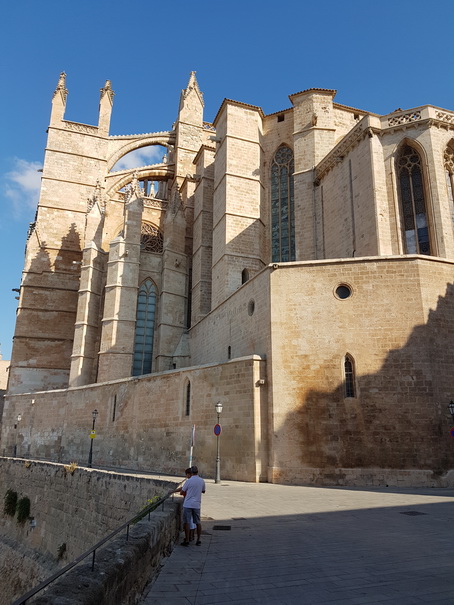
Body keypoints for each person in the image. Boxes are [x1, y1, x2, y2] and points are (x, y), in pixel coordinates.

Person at [180, 465, 205, 546]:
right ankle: (199, 539)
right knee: (198, 522)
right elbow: (203, 491)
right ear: (197, 472)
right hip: (197, 504)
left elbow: (182, 491)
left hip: (188, 503)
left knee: (186, 522)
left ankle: (187, 540)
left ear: (191, 472)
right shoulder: (202, 481)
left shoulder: (189, 481)